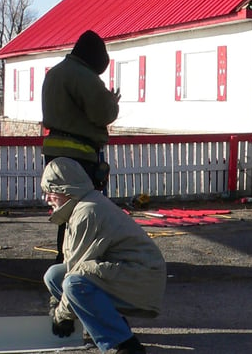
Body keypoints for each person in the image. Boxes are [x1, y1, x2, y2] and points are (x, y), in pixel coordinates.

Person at [42, 157, 166, 354]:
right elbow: (70, 262)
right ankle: (112, 325)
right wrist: (57, 305)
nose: (47, 199)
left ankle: (127, 344)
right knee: (54, 275)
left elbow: (77, 270)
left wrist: (61, 315)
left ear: (66, 189)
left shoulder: (88, 212)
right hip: (124, 271)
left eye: (50, 192)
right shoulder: (79, 207)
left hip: (141, 276)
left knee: (74, 284)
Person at [42, 30, 120, 260]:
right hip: (79, 155)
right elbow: (102, 113)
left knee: (64, 211)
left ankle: (62, 259)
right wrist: (111, 103)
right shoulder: (84, 76)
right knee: (83, 211)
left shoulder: (55, 73)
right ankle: (76, 263)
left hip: (53, 154)